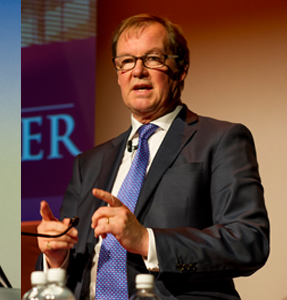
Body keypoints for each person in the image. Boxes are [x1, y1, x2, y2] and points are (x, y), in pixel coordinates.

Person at [35, 14, 269, 300]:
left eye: (153, 58)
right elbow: (70, 268)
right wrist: (58, 257)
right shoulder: (88, 163)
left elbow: (248, 241)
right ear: (118, 73)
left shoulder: (220, 140)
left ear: (180, 69)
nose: (138, 71)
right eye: (126, 61)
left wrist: (147, 241)